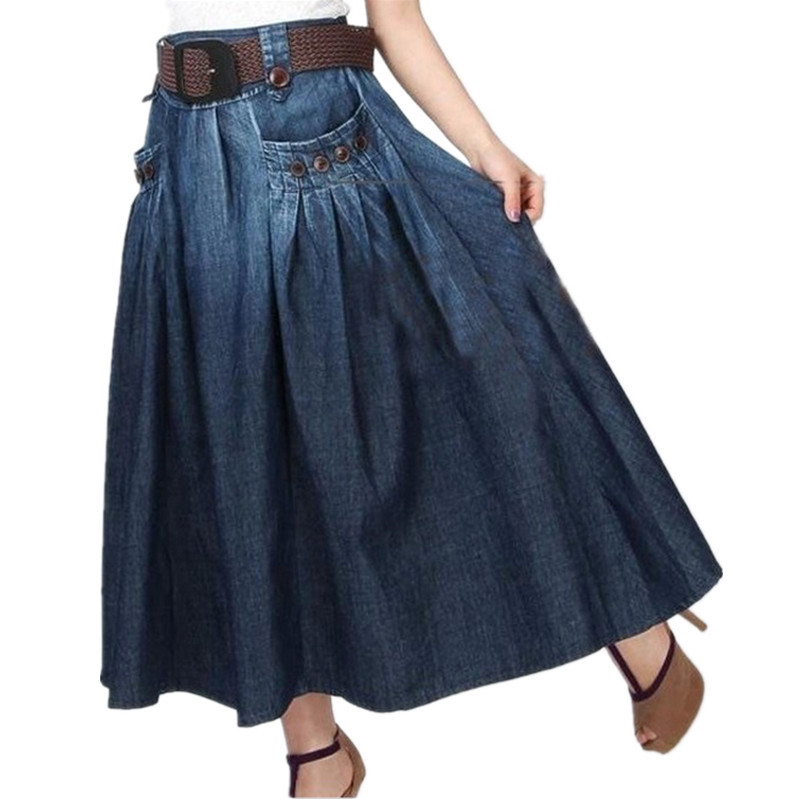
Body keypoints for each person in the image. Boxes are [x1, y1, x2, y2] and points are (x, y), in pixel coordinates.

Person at [100, 1, 724, 796]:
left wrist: (486, 148)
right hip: (188, 156)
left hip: (318, 144)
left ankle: (635, 621)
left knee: (479, 400)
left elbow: (392, 14)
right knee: (243, 452)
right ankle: (315, 750)